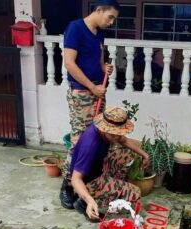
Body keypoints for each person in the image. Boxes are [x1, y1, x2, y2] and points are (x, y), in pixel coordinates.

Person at [60, 0, 120, 209]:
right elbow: (69, 63)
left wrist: (105, 68)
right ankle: (68, 185)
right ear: (99, 10)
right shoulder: (75, 28)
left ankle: (84, 183)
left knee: (100, 136)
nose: (111, 22)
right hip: (82, 94)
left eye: (114, 19)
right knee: (79, 141)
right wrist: (92, 88)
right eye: (110, 17)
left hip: (98, 93)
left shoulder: (99, 33)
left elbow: (99, 60)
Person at [70, 106, 150, 221]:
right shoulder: (90, 145)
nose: (117, 137)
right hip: (86, 182)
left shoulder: (103, 130)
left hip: (97, 167)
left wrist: (145, 155)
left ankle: (111, 184)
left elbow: (124, 140)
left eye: (118, 133)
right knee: (134, 193)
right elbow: (75, 179)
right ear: (104, 129)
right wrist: (89, 200)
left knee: (127, 153)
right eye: (113, 134)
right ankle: (86, 201)